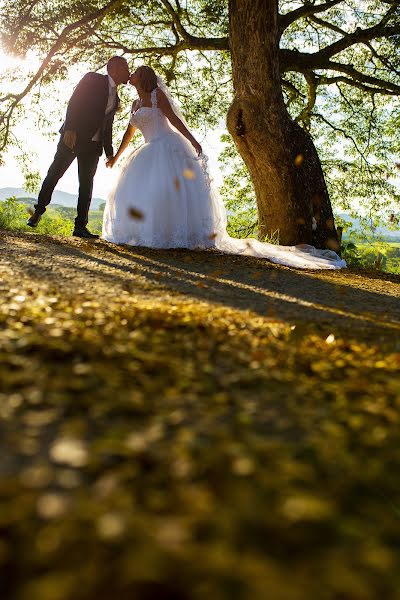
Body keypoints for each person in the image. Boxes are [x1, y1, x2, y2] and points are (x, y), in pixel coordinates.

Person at [102, 66, 346, 270]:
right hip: (146, 150)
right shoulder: (134, 103)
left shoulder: (157, 96)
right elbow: (129, 133)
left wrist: (192, 141)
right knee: (142, 191)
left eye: (134, 72)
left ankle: (172, 236)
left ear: (142, 77)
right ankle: (146, 233)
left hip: (167, 146)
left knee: (168, 190)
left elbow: (175, 121)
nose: (130, 74)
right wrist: (115, 157)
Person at [27, 56, 130, 238]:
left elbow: (108, 127)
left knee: (86, 185)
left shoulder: (116, 98)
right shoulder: (93, 78)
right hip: (73, 138)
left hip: (94, 145)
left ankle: (80, 226)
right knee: (55, 174)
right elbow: (75, 102)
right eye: (126, 68)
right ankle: (38, 212)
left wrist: (109, 153)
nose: (128, 72)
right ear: (114, 68)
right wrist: (70, 128)